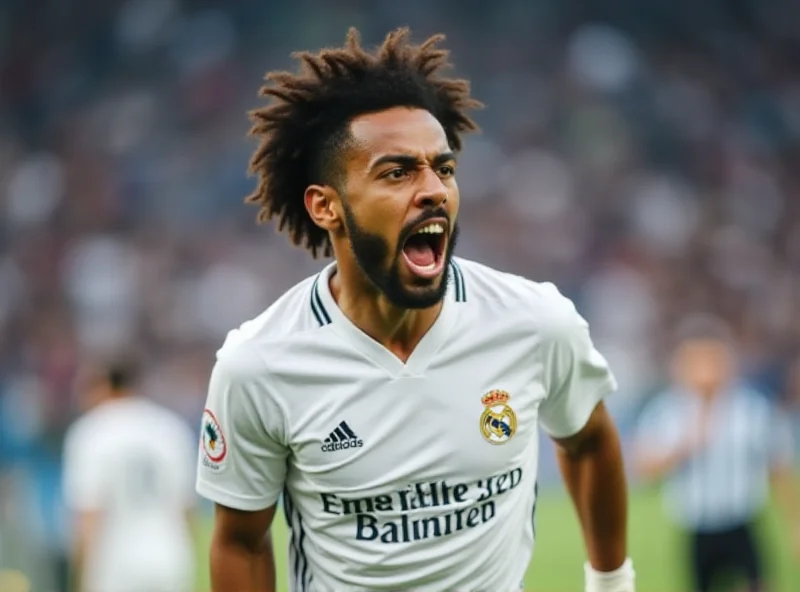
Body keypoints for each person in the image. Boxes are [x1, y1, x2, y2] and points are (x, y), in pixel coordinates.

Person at [196, 27, 635, 592]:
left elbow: (589, 440)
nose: (434, 190)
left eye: (443, 169)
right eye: (397, 172)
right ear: (326, 206)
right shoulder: (258, 366)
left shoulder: (535, 323)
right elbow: (239, 541)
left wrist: (611, 581)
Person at [634, 315, 800, 592]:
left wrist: (794, 522)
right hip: (697, 528)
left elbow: (777, 466)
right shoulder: (668, 411)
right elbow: (644, 469)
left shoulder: (751, 408)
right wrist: (684, 447)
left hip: (742, 521)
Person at [62, 359, 198, 592]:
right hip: (170, 559)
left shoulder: (91, 431)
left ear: (104, 384)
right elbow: (186, 510)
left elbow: (88, 515)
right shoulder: (170, 427)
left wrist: (79, 576)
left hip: (114, 566)